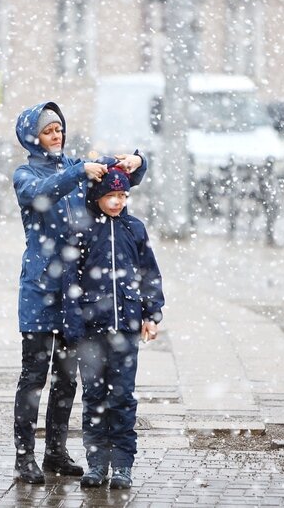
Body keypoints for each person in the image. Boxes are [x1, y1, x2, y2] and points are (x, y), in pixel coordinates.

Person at [12, 102, 146, 484]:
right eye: (48, 131)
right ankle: (25, 457)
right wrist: (76, 172)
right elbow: (39, 195)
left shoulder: (78, 168)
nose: (57, 136)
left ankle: (55, 451)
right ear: (32, 137)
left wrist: (137, 160)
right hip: (40, 290)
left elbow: (118, 178)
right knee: (34, 376)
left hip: (76, 295)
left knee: (67, 377)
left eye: (59, 130)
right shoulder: (25, 174)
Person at [62, 162, 165, 489]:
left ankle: (122, 464)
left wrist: (152, 314)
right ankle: (96, 463)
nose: (118, 201)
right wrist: (73, 321)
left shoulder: (134, 229)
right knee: (94, 397)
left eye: (122, 194)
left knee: (121, 398)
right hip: (92, 331)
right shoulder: (83, 229)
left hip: (126, 329)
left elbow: (149, 274)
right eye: (111, 195)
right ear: (97, 196)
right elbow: (70, 280)